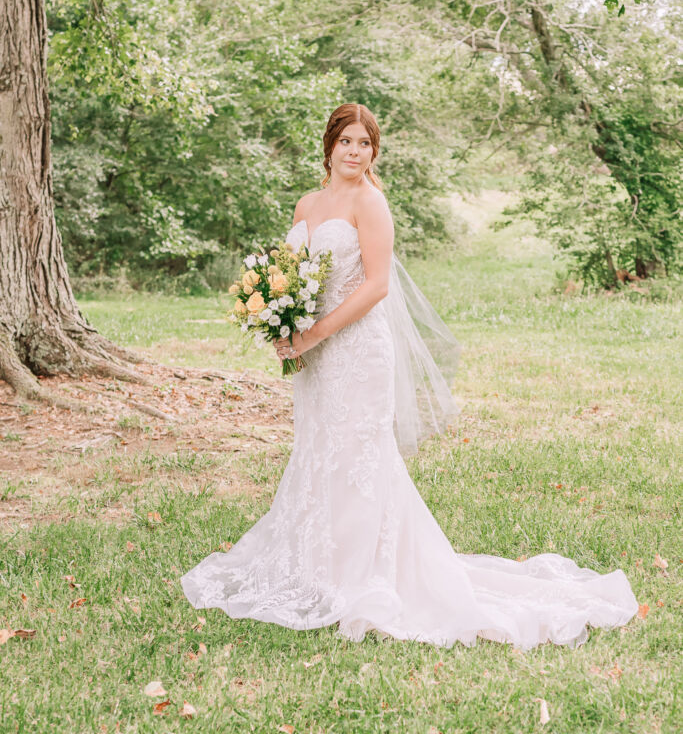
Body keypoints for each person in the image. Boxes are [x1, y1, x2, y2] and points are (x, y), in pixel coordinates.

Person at [181, 103, 638, 649]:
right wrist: (282, 321)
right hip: (316, 356)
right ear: (328, 146)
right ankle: (314, 565)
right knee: (320, 449)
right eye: (346, 141)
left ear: (374, 151)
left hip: (356, 350)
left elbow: (375, 286)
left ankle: (362, 576)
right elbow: (293, 275)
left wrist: (314, 331)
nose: (355, 152)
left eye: (365, 143)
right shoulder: (308, 202)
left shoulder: (371, 203)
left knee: (359, 457)